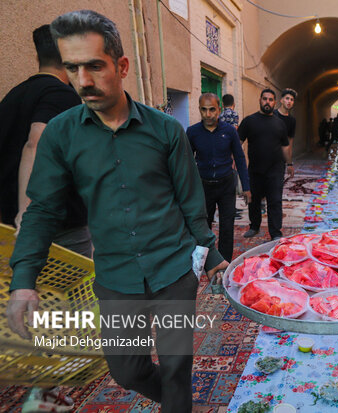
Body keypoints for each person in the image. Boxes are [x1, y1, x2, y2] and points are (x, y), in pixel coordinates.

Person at [5, 10, 228, 413]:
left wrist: (211, 255)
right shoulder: (61, 133)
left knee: (177, 367)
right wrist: (24, 280)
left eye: (94, 65)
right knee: (127, 371)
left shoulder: (165, 131)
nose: (83, 81)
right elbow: (42, 209)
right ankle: (180, 402)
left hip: (174, 273)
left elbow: (191, 202)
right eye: (72, 68)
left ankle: (178, 403)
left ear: (121, 65)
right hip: (115, 278)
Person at [0, 23, 89, 413]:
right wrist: (28, 214)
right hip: (56, 230)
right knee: (67, 309)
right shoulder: (58, 94)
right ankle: (48, 393)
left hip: (12, 228)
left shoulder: (13, 96)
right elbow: (37, 142)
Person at [186, 93, 250, 262]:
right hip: (204, 187)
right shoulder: (192, 132)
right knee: (203, 227)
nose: (208, 114)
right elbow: (186, 161)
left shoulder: (229, 131)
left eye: (212, 109)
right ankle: (206, 262)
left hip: (226, 186)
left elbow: (240, 158)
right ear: (199, 110)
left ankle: (224, 262)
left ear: (219, 110)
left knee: (227, 226)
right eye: (204, 110)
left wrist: (246, 186)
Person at [239, 88, 292, 241]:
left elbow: (284, 146)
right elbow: (238, 143)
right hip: (255, 170)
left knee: (275, 201)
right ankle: (254, 226)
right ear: (260, 100)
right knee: (253, 200)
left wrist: (289, 164)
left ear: (274, 102)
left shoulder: (280, 124)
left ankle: (275, 232)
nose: (267, 102)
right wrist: (236, 161)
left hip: (275, 170)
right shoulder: (249, 121)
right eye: (264, 99)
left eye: (270, 99)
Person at [275, 88, 297, 178]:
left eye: (292, 100)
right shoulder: (272, 115)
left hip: (280, 159)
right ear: (281, 100)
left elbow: (289, 142)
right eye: (287, 98)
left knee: (278, 186)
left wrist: (289, 163)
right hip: (267, 156)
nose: (289, 101)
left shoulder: (292, 120)